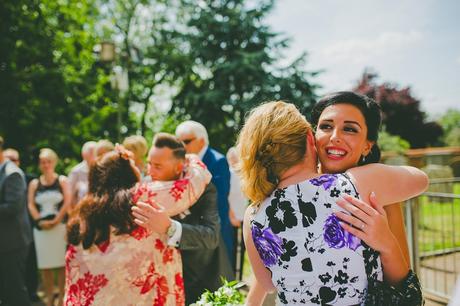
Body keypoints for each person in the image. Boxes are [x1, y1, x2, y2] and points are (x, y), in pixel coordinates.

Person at [237, 101, 428, 305]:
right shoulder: (355, 184)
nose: (335, 137)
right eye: (326, 126)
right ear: (311, 139)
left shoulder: (254, 214)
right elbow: (421, 179)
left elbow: (268, 285)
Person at [132, 133, 234, 305]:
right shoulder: (146, 188)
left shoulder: (202, 187)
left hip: (200, 281)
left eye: (157, 166)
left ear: (179, 167)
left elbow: (211, 236)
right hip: (159, 282)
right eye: (149, 164)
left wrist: (170, 227)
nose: (150, 172)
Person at [175, 121, 235, 266]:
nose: (182, 146)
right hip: (191, 229)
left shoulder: (217, 161)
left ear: (201, 141)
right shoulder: (181, 162)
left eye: (187, 141)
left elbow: (219, 199)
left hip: (213, 227)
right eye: (179, 142)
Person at [28, 148, 71, 306]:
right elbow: (31, 204)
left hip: (59, 227)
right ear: (39, 164)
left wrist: (56, 220)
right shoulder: (34, 183)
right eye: (42, 162)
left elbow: (67, 202)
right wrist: (39, 221)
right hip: (42, 230)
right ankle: (48, 299)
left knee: (60, 264)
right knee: (45, 265)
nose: (45, 165)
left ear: (54, 162)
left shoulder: (62, 181)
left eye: (48, 162)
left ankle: (61, 299)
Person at [3, 148, 40, 303]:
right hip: (5, 240)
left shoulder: (14, 174)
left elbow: (13, 207)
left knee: (16, 288)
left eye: (15, 158)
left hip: (14, 240)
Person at [0, 136, 32, 306]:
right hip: (4, 243)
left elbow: (12, 207)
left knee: (15, 292)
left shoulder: (12, 173)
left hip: (12, 243)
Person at [227, 146, 249, 279]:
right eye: (231, 158)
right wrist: (231, 215)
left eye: (236, 158)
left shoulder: (244, 175)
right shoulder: (228, 174)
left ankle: (239, 278)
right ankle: (232, 279)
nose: (234, 161)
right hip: (232, 218)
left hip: (243, 218)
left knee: (242, 251)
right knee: (233, 250)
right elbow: (226, 196)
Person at [67, 141, 96, 209]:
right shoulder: (76, 171)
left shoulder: (101, 169)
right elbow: (69, 196)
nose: (95, 155)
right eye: (92, 152)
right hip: (80, 211)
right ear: (84, 154)